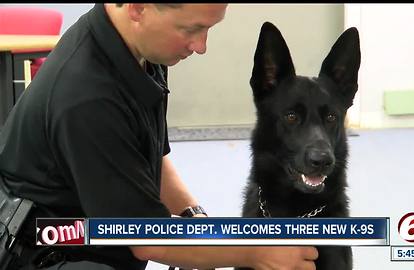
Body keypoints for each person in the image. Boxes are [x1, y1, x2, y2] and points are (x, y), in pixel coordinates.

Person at [0, 4, 319, 270]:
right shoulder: (87, 97)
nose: (201, 46)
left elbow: (150, 153)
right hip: (47, 251)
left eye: (208, 29)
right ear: (138, 7)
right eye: (191, 30)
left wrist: (194, 218)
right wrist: (257, 253)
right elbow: (147, 239)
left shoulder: (141, 51)